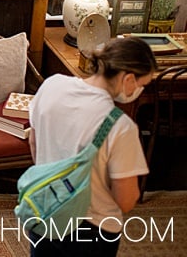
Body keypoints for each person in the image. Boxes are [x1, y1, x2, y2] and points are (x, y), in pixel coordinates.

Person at [27, 36, 160, 256]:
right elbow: (125, 201)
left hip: (44, 208)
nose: (140, 91)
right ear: (128, 79)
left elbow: (34, 142)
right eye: (142, 85)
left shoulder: (52, 85)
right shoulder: (120, 126)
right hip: (91, 229)